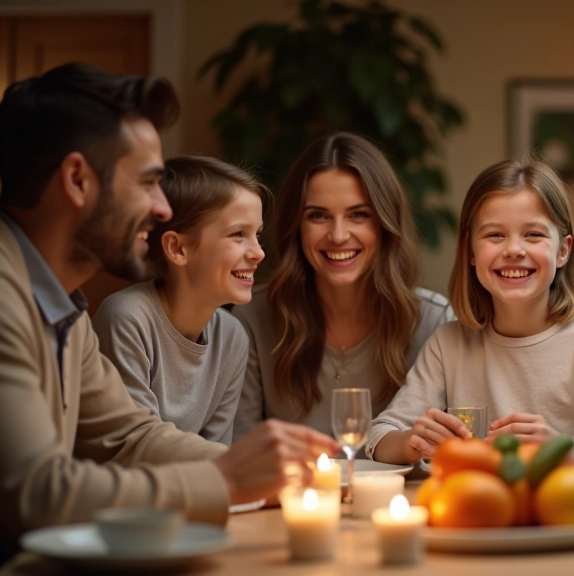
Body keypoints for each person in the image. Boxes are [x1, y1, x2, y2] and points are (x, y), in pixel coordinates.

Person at [0, 63, 335, 559]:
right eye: (147, 182)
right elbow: (38, 495)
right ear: (77, 180)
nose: (161, 208)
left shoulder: (63, 306)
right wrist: (225, 480)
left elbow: (129, 436)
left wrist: (256, 469)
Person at [367, 159, 574, 469]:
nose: (513, 250)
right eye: (495, 235)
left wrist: (564, 449)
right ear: (470, 251)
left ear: (563, 250)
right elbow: (379, 436)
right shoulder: (448, 344)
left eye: (533, 234)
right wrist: (410, 441)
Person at [232, 132, 454, 439]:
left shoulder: (434, 321)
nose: (338, 235)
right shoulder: (252, 319)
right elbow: (240, 448)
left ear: (385, 224)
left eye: (358, 215)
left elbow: (451, 446)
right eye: (318, 215)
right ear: (296, 226)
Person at [93, 156, 268, 445]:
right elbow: (135, 444)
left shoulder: (232, 337)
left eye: (257, 235)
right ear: (177, 248)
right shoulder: (126, 318)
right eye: (238, 234)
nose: (259, 253)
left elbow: (216, 453)